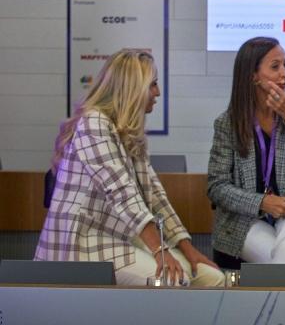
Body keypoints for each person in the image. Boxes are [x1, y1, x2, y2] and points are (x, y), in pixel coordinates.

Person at [35, 49, 223, 286]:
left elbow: (155, 197)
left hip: (119, 238)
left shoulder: (130, 133)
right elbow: (121, 192)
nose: (158, 92)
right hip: (82, 243)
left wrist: (188, 249)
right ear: (132, 89)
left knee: (212, 278)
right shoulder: (93, 123)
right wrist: (159, 251)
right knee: (173, 281)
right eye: (152, 85)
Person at [207, 36, 285, 264]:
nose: (284, 73)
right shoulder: (228, 123)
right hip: (243, 219)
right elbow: (217, 187)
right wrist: (262, 202)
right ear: (253, 76)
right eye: (275, 66)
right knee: (283, 257)